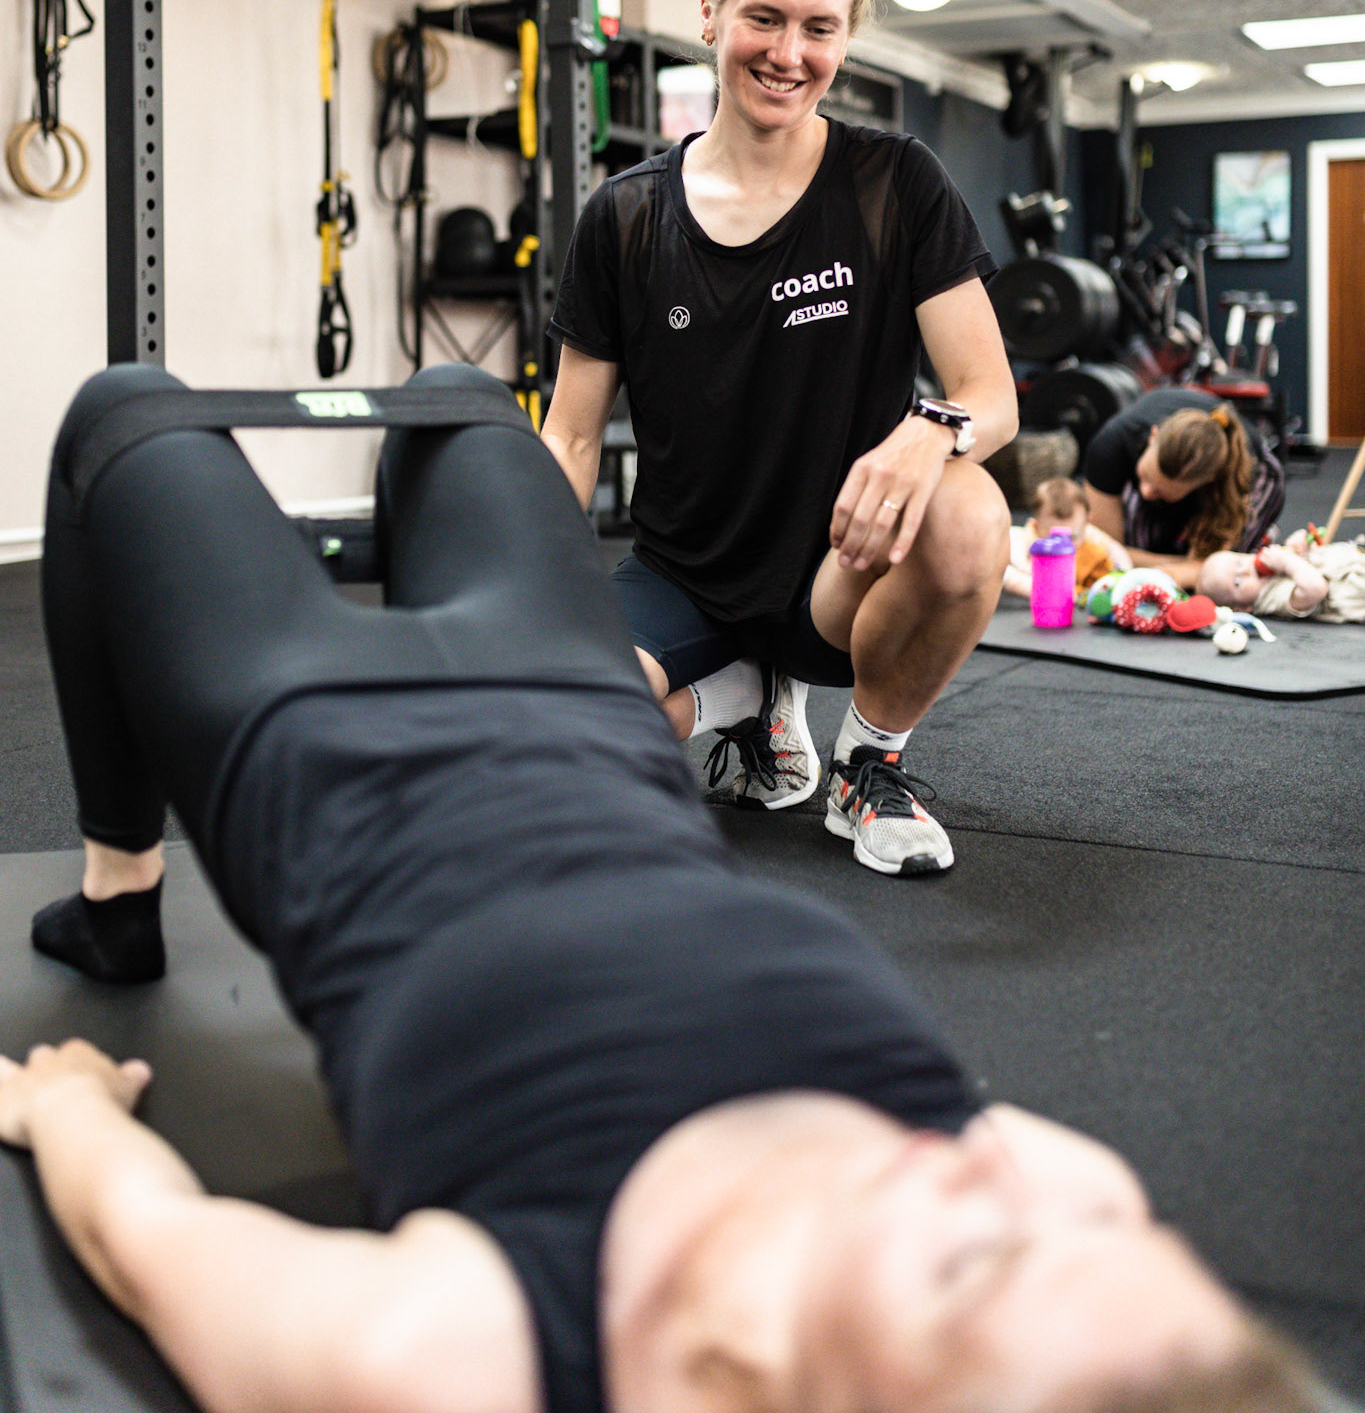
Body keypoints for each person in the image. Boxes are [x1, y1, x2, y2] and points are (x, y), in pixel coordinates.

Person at [5, 363, 1326, 1413]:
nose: (1016, 1176)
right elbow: (1055, 1221)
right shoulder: (1049, 1203)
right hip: (588, 712)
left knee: (122, 411)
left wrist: (68, 1113)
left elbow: (140, 1231)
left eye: (975, 1261)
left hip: (322, 737)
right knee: (459, 405)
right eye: (1106, 1230)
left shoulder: (468, 1347)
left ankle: (119, 893)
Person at [541, 0, 1017, 877]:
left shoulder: (895, 184)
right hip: (684, 573)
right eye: (764, 18)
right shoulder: (624, 215)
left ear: (847, 37)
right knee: (561, 734)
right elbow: (570, 435)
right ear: (710, 15)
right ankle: (741, 695)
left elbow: (990, 395)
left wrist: (928, 433)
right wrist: (523, 583)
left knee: (971, 512)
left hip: (839, 574)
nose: (788, 53)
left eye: (819, 27)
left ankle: (867, 763)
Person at [1083, 386, 1285, 591]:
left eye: (1160, 491)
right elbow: (1108, 552)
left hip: (1243, 475)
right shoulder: (1108, 446)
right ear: (1153, 436)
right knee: (1135, 545)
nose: (1146, 491)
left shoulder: (1238, 476)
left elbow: (1206, 568)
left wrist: (1179, 572)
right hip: (1170, 479)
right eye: (1145, 476)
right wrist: (1180, 564)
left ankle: (1253, 540)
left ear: (1207, 481)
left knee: (1221, 582)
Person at [1000, 475, 1130, 601]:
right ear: (1036, 526)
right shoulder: (1022, 540)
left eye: (1072, 537)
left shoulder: (1085, 531)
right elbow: (1016, 570)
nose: (1064, 544)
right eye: (1055, 537)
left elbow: (1115, 549)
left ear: (1087, 523)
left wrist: (1123, 576)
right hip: (1033, 586)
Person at [1199, 529, 1365, 622]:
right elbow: (1315, 588)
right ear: (1243, 608)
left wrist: (1302, 548)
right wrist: (1288, 562)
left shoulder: (1273, 564)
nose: (1245, 571)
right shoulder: (1269, 598)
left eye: (1240, 562)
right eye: (1237, 582)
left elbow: (1314, 562)